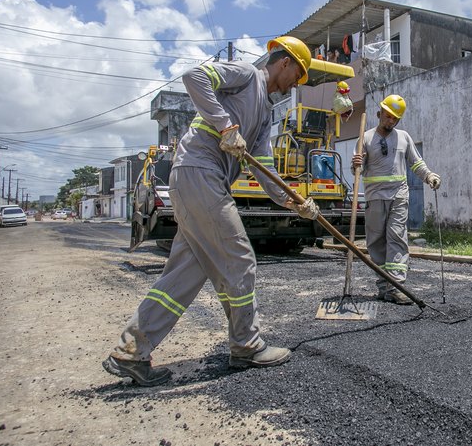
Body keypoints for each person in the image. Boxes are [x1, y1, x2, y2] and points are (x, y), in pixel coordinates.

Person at [102, 35, 320, 386]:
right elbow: (194, 77)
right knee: (239, 258)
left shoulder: (265, 112)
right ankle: (246, 345)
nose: (297, 83)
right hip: (199, 172)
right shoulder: (247, 74)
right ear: (285, 62)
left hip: (199, 179)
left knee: (184, 274)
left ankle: (132, 350)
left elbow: (264, 168)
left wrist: (294, 202)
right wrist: (225, 126)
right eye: (299, 74)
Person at [351, 94, 441, 304]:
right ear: (379, 113)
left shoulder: (404, 138)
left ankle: (396, 286)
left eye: (395, 118)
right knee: (376, 243)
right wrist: (356, 163)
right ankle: (384, 286)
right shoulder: (365, 139)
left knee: (397, 238)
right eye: (388, 116)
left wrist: (429, 176)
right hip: (375, 198)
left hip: (398, 196)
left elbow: (416, 163)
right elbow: (357, 171)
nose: (391, 120)